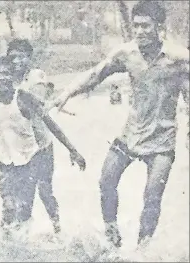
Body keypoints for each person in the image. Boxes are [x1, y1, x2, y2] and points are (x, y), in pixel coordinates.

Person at [50, 1, 189, 248]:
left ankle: (143, 247)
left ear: (159, 27)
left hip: (162, 140)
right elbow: (96, 73)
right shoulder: (127, 54)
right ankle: (111, 231)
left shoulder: (179, 59)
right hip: (130, 134)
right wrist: (66, 93)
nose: (140, 31)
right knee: (106, 180)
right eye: (136, 26)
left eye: (146, 26)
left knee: (152, 196)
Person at [0, 56, 86, 238]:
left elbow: (50, 123)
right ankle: (3, 247)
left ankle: (53, 230)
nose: (1, 78)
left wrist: (73, 150)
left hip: (30, 161)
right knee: (8, 208)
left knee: (24, 211)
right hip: (5, 164)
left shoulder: (24, 98)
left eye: (6, 73)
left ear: (12, 75)